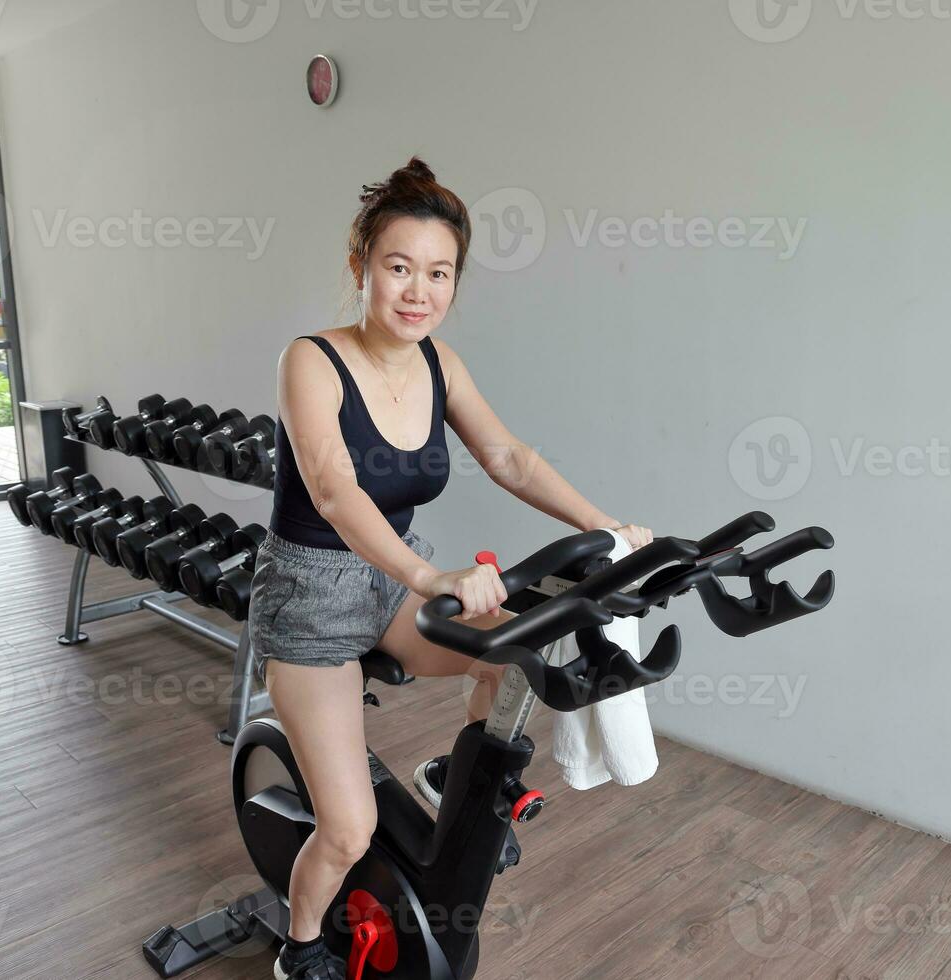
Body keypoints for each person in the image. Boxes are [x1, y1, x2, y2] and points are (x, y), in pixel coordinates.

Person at [247, 156, 652, 980]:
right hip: (309, 601)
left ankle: (449, 772)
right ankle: (299, 947)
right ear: (360, 267)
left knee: (515, 645)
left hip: (387, 584)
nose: (417, 291)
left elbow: (507, 456)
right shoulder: (310, 361)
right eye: (398, 267)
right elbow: (332, 489)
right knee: (349, 831)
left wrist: (604, 525)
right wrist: (429, 579)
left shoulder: (441, 364)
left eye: (438, 273)